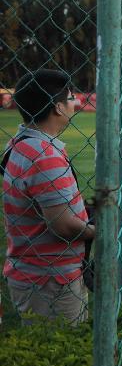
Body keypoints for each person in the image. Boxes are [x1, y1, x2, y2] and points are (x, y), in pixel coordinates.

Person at [2, 69, 94, 324]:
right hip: (51, 280)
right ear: (58, 108)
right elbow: (64, 226)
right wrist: (98, 230)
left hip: (35, 272)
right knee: (64, 350)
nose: (75, 102)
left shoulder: (21, 144)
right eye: (71, 97)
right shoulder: (45, 156)